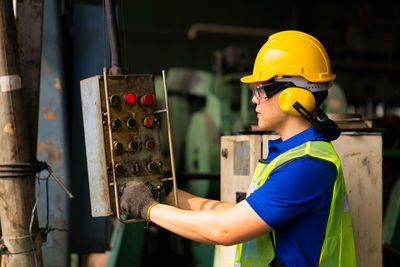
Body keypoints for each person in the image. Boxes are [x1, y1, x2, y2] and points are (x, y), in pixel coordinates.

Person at [120, 30, 356, 267]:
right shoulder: (293, 155)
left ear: (291, 95)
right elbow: (234, 213)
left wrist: (147, 207)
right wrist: (167, 194)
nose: (254, 99)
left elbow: (224, 230)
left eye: (261, 90)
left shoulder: (305, 167)